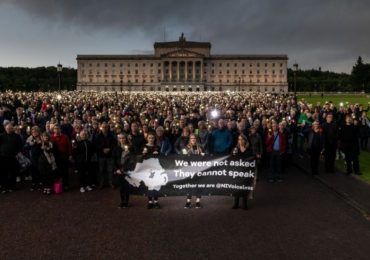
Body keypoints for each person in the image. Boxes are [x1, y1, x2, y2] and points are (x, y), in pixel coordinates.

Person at [0, 122, 23, 193]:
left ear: (12, 129)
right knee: (3, 173)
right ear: (5, 128)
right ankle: (4, 187)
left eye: (10, 128)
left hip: (13, 157)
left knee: (13, 172)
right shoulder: (1, 136)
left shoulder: (17, 136)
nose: (8, 130)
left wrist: (17, 153)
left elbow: (20, 146)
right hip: (3, 158)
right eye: (7, 128)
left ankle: (12, 186)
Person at [183, 134, 204, 209]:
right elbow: (182, 157)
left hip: (198, 169)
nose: (193, 140)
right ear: (189, 139)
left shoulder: (200, 147)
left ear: (196, 139)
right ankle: (188, 201)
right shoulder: (186, 148)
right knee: (189, 185)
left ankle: (198, 201)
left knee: (198, 185)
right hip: (189, 169)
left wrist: (203, 155)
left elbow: (205, 158)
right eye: (192, 138)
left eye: (194, 138)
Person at [232, 134, 252, 209]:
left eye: (241, 139)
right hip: (237, 170)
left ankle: (244, 204)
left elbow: (251, 158)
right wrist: (233, 154)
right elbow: (231, 158)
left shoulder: (249, 149)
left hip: (245, 171)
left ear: (245, 140)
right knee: (236, 187)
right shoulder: (235, 148)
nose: (240, 141)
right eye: (239, 139)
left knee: (245, 187)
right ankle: (236, 203)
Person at [95, 122, 117, 189]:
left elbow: (114, 144)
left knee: (110, 170)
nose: (105, 128)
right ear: (101, 128)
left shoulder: (111, 135)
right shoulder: (98, 136)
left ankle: (111, 183)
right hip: (101, 156)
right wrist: (102, 149)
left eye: (106, 127)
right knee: (101, 170)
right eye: (103, 127)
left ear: (108, 128)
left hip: (110, 155)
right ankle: (102, 183)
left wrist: (109, 149)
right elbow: (96, 145)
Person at [51, 124, 72, 191]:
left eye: (58, 128)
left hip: (64, 156)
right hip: (55, 157)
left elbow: (69, 146)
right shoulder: (51, 138)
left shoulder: (65, 136)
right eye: (55, 129)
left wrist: (70, 155)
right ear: (53, 130)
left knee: (65, 171)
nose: (57, 130)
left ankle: (66, 185)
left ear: (60, 129)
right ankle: (58, 186)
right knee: (57, 172)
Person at [142, 132, 161, 209]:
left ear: (154, 139)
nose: (151, 139)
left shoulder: (157, 147)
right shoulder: (144, 146)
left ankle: (156, 201)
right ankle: (150, 202)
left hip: (156, 168)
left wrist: (158, 154)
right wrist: (143, 154)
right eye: (149, 138)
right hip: (147, 169)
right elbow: (140, 158)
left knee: (156, 185)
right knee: (149, 185)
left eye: (152, 138)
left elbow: (162, 158)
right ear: (147, 138)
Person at [113, 134, 132, 208]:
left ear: (125, 138)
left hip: (127, 170)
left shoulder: (130, 147)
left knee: (126, 186)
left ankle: (126, 201)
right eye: (120, 138)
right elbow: (113, 160)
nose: (121, 140)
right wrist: (116, 169)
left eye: (123, 138)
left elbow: (133, 159)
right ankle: (122, 201)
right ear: (118, 139)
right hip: (119, 170)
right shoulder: (116, 148)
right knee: (121, 187)